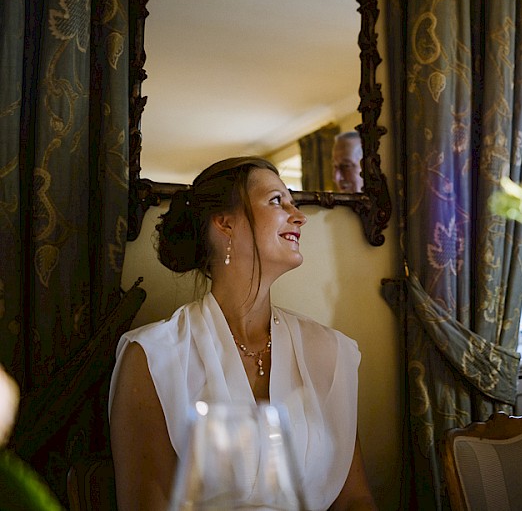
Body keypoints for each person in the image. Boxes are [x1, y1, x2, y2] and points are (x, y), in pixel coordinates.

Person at [109, 157, 376, 511]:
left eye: (293, 202)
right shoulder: (153, 357)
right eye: (277, 201)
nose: (299, 216)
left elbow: (355, 499)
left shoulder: (329, 351)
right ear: (225, 223)